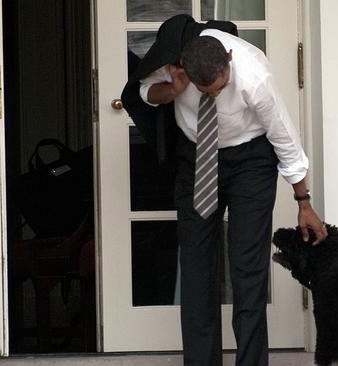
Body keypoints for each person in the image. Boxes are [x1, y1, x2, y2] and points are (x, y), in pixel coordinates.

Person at [138, 28, 327, 366]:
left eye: (221, 87)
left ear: (227, 60)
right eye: (205, 90)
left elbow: (283, 135)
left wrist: (304, 200)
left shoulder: (254, 75)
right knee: (196, 266)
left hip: (250, 161)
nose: (216, 92)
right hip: (196, 157)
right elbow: (142, 92)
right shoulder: (175, 61)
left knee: (247, 268)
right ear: (185, 69)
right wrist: (172, 90)